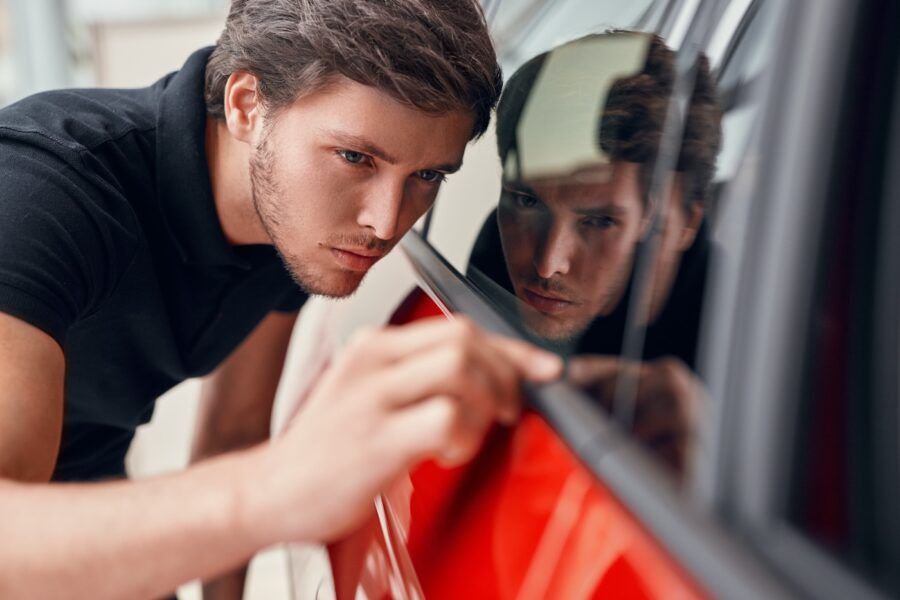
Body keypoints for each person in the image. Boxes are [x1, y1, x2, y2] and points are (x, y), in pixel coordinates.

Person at [0, 0, 564, 597]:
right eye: (356, 157)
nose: (384, 222)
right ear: (246, 105)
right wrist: (280, 488)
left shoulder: (297, 221)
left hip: (92, 505)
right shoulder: (42, 196)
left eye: (427, 176)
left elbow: (236, 428)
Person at [466, 32, 723, 475]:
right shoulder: (497, 237)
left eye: (601, 221)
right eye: (527, 201)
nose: (547, 264)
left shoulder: (743, 330)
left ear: (685, 224)